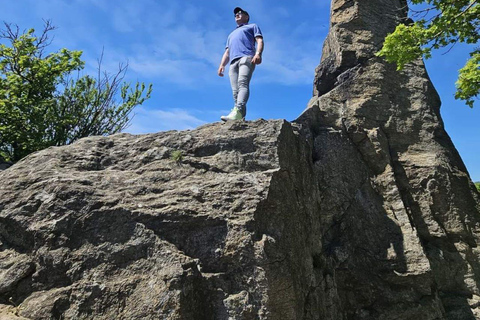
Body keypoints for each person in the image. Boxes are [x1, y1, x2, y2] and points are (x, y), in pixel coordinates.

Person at [218, 7, 264, 121]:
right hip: (233, 63)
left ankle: (237, 111)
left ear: (246, 17)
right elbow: (227, 52)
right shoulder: (231, 34)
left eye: (240, 13)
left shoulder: (252, 26)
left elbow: (259, 40)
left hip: (247, 58)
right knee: (235, 91)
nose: (237, 15)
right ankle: (239, 116)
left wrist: (258, 54)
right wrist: (222, 65)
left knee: (243, 83)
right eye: (235, 14)